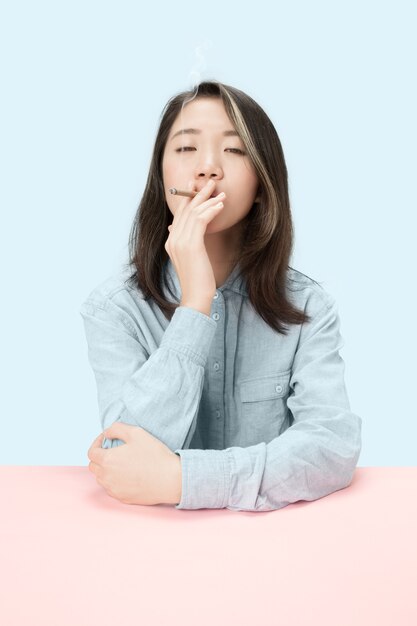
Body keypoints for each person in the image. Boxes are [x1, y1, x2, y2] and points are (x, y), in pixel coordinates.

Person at [82, 80, 362, 511]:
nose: (208, 168)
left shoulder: (308, 307)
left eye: (234, 150)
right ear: (161, 174)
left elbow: (331, 447)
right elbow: (122, 457)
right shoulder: (114, 310)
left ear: (262, 181)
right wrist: (196, 303)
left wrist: (183, 480)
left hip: (276, 550)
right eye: (186, 149)